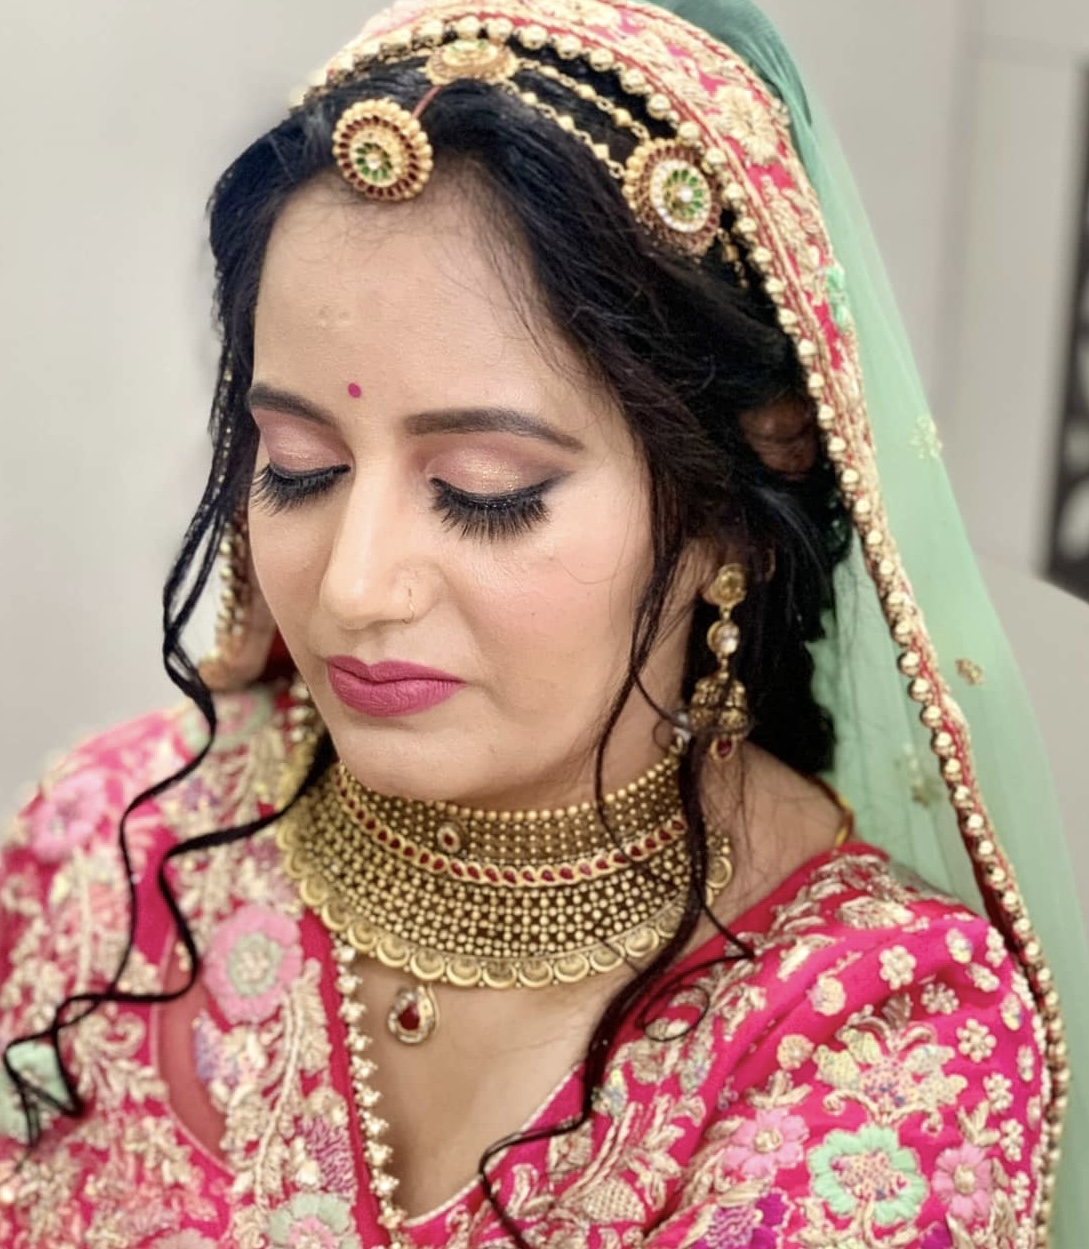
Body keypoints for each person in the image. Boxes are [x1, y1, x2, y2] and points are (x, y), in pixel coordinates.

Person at [1, 0, 1086, 1245]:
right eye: (300, 466)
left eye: (486, 491)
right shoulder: (109, 847)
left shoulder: (874, 1028)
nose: (354, 587)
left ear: (734, 497)